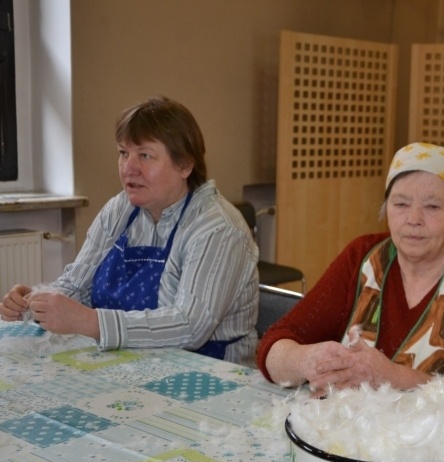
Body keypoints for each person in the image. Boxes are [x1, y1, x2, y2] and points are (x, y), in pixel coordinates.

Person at [0, 96, 259, 366]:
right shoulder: (120, 209)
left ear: (185, 164)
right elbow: (77, 284)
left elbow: (189, 327)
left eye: (145, 155)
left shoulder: (217, 227)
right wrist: (35, 303)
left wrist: (89, 321)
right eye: (123, 153)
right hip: (133, 362)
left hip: (213, 375)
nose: (129, 168)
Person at [258, 142, 444, 392]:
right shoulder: (361, 257)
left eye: (432, 206)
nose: (413, 219)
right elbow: (275, 344)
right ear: (387, 210)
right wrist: (306, 360)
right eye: (400, 204)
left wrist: (390, 376)